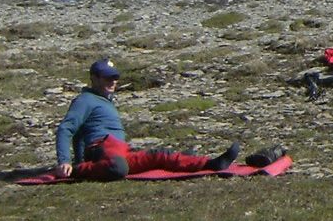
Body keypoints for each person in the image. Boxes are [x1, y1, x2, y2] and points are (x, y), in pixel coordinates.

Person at [52, 58, 243, 180]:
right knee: (117, 168)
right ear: (94, 78)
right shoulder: (85, 100)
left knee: (160, 155)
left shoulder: (103, 101)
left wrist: (76, 158)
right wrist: (66, 162)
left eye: (115, 78)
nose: (112, 82)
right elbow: (66, 129)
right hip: (103, 149)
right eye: (107, 78)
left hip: (119, 150)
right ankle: (79, 171)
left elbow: (78, 136)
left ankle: (211, 164)